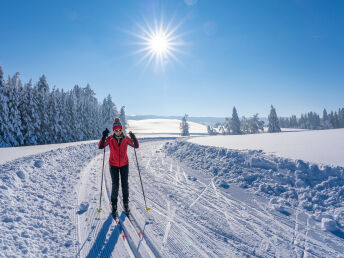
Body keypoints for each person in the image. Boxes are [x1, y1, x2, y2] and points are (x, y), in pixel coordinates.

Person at [98, 118, 139, 216]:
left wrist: (133, 137)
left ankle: (126, 203)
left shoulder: (125, 138)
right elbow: (101, 146)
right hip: (113, 165)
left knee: (125, 184)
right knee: (115, 185)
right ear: (113, 131)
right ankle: (114, 204)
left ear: (122, 130)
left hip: (125, 164)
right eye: (116, 130)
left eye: (120, 130)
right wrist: (104, 136)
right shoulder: (110, 139)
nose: (118, 132)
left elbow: (136, 146)